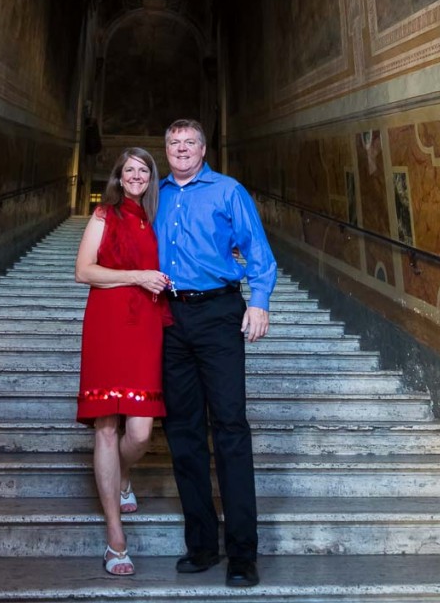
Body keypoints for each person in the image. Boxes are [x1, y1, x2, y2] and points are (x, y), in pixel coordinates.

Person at [155, 118, 277, 589]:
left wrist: (260, 302)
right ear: (165, 150)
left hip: (219, 313)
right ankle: (202, 546)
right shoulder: (156, 196)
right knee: (182, 432)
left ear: (203, 149)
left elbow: (259, 253)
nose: (182, 149)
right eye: (174, 143)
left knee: (229, 428)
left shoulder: (229, 192)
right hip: (169, 318)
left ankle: (243, 554)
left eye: (190, 142)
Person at [75, 148, 171, 576]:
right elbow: (84, 271)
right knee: (107, 428)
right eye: (128, 170)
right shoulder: (104, 216)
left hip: (146, 325)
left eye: (143, 171)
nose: (135, 176)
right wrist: (136, 276)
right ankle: (116, 539)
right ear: (118, 176)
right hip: (107, 324)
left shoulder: (157, 218)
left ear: (151, 179)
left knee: (140, 430)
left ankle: (124, 474)